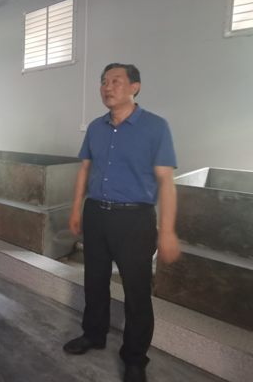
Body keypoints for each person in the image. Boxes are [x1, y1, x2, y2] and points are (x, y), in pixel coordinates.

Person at [63, 64, 181, 382]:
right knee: (95, 280)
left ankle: (135, 357)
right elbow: (85, 170)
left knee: (137, 291)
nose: (107, 86)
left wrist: (167, 230)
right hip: (96, 214)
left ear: (135, 87)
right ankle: (94, 334)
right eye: (104, 82)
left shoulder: (156, 127)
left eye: (116, 81)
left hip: (135, 219)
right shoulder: (96, 127)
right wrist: (76, 209)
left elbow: (166, 182)